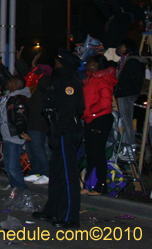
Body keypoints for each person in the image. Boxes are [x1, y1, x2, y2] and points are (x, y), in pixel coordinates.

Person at [33, 48, 85, 229]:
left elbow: (69, 110)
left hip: (66, 130)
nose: (55, 64)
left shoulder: (70, 83)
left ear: (63, 63)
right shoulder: (59, 80)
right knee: (56, 173)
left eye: (57, 61)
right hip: (57, 130)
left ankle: (70, 217)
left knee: (68, 175)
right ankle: (53, 210)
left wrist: (59, 132)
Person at [81, 55, 117, 195]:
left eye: (89, 61)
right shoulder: (90, 80)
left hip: (100, 118)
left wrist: (90, 111)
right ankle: (89, 185)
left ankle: (101, 186)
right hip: (91, 118)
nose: (86, 63)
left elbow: (105, 103)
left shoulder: (103, 80)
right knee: (90, 152)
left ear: (95, 65)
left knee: (98, 152)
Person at [0, 76, 31, 190]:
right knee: (8, 165)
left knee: (12, 166)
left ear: (15, 85)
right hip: (8, 135)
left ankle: (21, 189)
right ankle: (14, 186)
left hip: (14, 136)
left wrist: (20, 131)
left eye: (10, 81)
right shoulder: (10, 97)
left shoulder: (18, 99)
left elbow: (20, 117)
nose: (8, 83)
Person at [23, 59, 52, 185]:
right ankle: (36, 172)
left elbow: (44, 81)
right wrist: (19, 60)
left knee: (38, 148)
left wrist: (37, 70)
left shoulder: (44, 86)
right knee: (31, 149)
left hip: (39, 123)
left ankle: (47, 173)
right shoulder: (32, 88)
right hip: (30, 123)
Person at [113, 38, 145, 147]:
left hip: (127, 94)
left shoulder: (133, 61)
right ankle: (127, 142)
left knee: (126, 119)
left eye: (122, 46)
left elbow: (136, 79)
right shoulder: (125, 60)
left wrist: (128, 89)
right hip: (125, 92)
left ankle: (129, 144)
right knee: (125, 118)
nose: (120, 48)